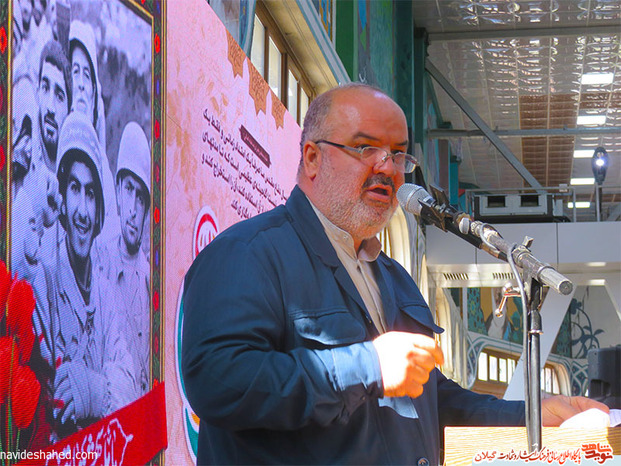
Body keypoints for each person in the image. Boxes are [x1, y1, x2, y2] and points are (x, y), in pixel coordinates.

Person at [182, 83, 609, 465]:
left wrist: (530, 416)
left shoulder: (393, 277)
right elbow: (217, 381)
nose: (387, 167)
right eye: (364, 148)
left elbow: (430, 403)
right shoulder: (247, 254)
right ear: (312, 158)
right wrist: (367, 365)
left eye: (398, 154)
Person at [42, 111, 132, 438]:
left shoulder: (106, 297)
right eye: (74, 189)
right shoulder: (45, 284)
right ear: (62, 201)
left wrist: (94, 390)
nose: (82, 210)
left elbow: (130, 388)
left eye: (91, 193)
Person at [101, 121, 151, 402]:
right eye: (129, 190)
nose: (133, 209)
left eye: (140, 197)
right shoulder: (99, 261)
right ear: (118, 191)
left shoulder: (150, 281)